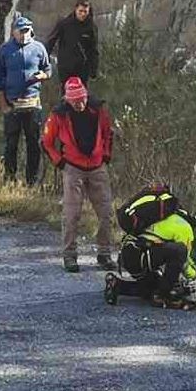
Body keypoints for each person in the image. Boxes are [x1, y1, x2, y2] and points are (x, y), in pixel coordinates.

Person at [41, 77, 117, 273]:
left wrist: (106, 155)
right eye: (75, 100)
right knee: (71, 214)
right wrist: (60, 162)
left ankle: (104, 253)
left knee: (106, 213)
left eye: (82, 99)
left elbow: (108, 133)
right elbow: (47, 142)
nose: (79, 103)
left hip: (97, 166)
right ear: (67, 100)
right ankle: (69, 256)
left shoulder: (98, 109)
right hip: (73, 167)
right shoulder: (58, 115)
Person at [104, 205, 196, 309]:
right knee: (179, 250)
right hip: (140, 253)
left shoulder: (168, 217)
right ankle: (164, 296)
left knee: (154, 286)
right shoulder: (185, 228)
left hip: (130, 253)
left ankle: (117, 285)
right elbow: (183, 260)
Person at [0, 15, 51, 186]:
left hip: (32, 103)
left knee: (33, 143)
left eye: (28, 30)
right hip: (12, 103)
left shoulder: (39, 48)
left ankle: (31, 182)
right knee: (11, 144)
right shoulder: (4, 50)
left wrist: (43, 75)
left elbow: (48, 69)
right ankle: (9, 179)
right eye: (22, 31)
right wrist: (3, 102)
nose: (25, 34)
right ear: (14, 32)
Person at [45, 0, 99, 87]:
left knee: (80, 95)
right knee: (66, 94)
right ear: (75, 10)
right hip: (66, 67)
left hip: (82, 69)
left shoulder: (91, 28)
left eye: (85, 12)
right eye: (80, 11)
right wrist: (44, 60)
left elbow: (93, 50)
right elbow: (51, 41)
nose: (82, 14)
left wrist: (93, 70)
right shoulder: (64, 24)